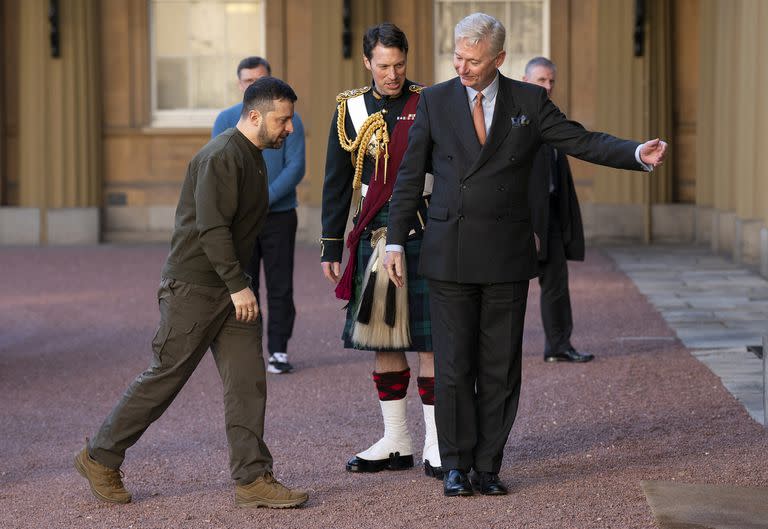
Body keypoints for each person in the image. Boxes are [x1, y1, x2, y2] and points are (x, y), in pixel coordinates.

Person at [384, 12, 667, 497]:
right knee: (453, 365)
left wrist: (635, 153)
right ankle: (454, 464)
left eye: (473, 60)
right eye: (457, 57)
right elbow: (410, 175)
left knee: (500, 366)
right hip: (448, 252)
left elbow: (580, 140)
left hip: (506, 256)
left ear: (499, 58)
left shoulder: (529, 101)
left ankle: (488, 466)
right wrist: (394, 240)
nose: (463, 67)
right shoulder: (433, 100)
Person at [74, 77, 308, 509]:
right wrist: (239, 286)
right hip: (195, 289)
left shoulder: (253, 155)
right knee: (165, 378)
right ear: (254, 116)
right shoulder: (220, 156)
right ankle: (99, 456)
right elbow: (212, 229)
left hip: (232, 291)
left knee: (247, 384)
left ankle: (252, 478)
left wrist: (239, 286)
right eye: (284, 120)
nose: (290, 129)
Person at [320, 23, 442, 480]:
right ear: (367, 62)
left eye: (400, 65)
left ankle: (436, 443)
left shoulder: (429, 99)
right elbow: (336, 182)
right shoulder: (348, 109)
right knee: (383, 336)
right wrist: (331, 245)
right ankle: (396, 440)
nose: (393, 74)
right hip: (374, 232)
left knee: (431, 340)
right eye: (384, 66)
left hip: (427, 229)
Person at [213, 56, 306, 374]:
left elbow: (296, 167)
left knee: (280, 286)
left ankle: (278, 350)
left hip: (280, 217)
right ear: (240, 85)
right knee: (244, 285)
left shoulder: (290, 119)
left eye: (260, 80)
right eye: (248, 81)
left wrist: (262, 199)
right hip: (242, 221)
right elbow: (220, 170)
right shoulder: (226, 119)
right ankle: (247, 350)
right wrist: (248, 205)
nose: (253, 86)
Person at [522, 57, 593, 363]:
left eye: (551, 81)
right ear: (526, 81)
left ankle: (559, 345)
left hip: (549, 214)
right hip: (516, 219)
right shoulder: (510, 117)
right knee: (501, 290)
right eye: (541, 80)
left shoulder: (553, 118)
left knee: (556, 284)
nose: (548, 86)